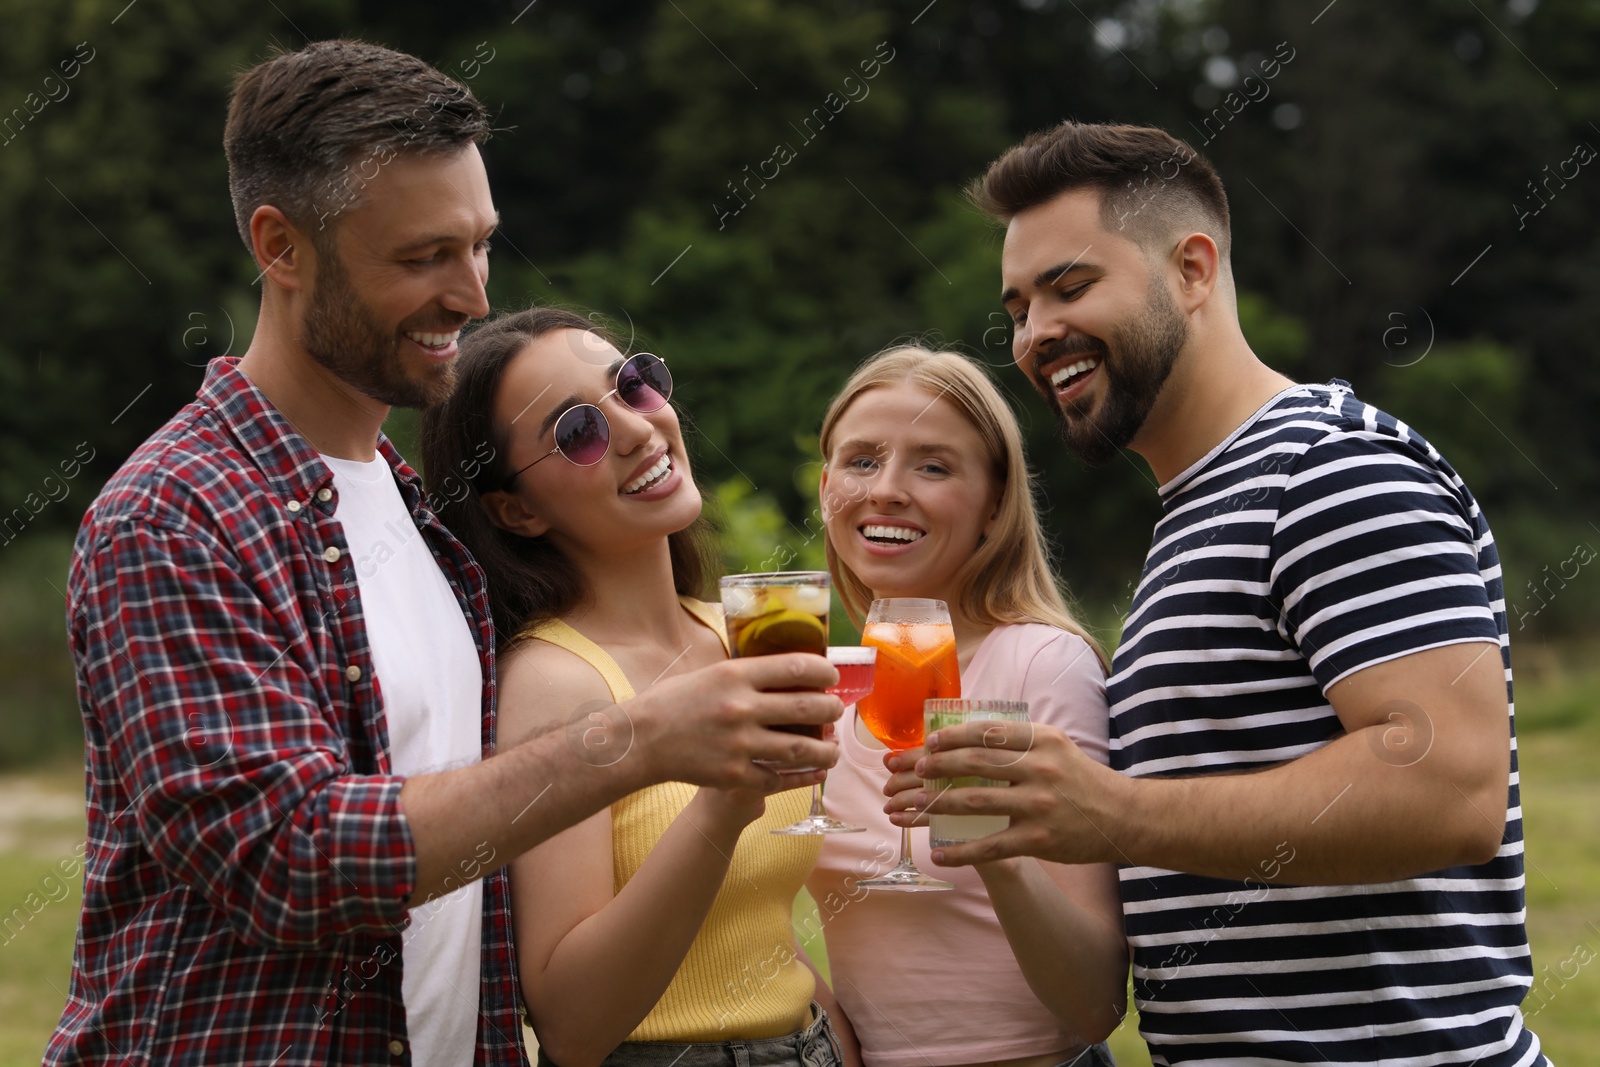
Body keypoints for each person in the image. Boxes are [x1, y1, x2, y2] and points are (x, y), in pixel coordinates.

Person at [52, 41, 838, 1067]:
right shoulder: (173, 516)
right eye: (422, 257)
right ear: (280, 247)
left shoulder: (424, 524)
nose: (470, 295)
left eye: (481, 247)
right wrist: (638, 741)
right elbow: (291, 856)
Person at [890, 121, 1546, 1065]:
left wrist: (1110, 812)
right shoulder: (1199, 509)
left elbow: (1450, 789)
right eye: (1020, 306)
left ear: (1193, 269)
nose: (1035, 334)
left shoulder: (1331, 467)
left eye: (1071, 287)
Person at [419, 308, 850, 1067]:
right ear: (514, 510)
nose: (635, 427)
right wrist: (726, 801)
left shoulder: (737, 630)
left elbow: (744, 925)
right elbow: (574, 1025)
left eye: (635, 384)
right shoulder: (554, 681)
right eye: (578, 431)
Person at [806, 345, 1126, 1067]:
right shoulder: (825, 683)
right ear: (827, 488)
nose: (887, 488)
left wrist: (993, 850)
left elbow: (1098, 1004)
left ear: (993, 505)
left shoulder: (1042, 664)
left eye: (933, 465)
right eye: (861, 461)